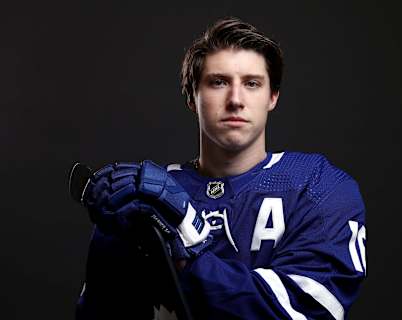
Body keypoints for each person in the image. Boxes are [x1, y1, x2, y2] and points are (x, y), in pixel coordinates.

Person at [75, 17, 367, 320]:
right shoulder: (143, 198)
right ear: (192, 97)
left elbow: (303, 311)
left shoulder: (318, 185)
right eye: (218, 82)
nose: (236, 100)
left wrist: (186, 243)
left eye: (252, 84)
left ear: (273, 97)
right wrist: (113, 240)